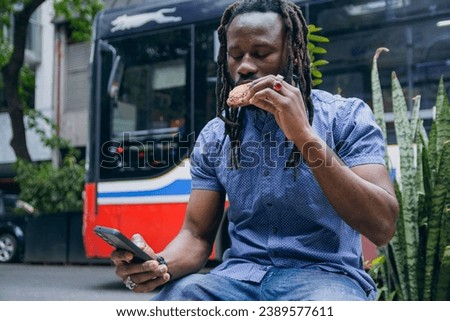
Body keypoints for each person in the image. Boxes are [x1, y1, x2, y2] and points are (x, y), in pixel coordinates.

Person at [111, 0, 399, 301]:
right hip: (237, 279)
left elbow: (382, 226)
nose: (245, 66)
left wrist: (303, 134)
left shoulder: (346, 117)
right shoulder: (216, 135)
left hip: (323, 278)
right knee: (178, 296)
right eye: (235, 56)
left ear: (294, 56)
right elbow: (195, 236)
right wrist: (159, 266)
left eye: (261, 54)